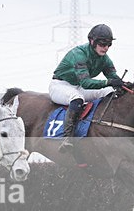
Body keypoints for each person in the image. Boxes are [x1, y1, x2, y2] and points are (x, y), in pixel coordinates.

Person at [49, 24, 125, 152]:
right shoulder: (79, 54)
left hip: (79, 86)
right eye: (102, 44)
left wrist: (122, 84)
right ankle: (67, 138)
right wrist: (109, 81)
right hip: (60, 85)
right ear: (92, 41)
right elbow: (86, 83)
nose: (106, 48)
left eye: (109, 45)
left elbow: (113, 77)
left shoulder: (105, 59)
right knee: (77, 98)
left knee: (110, 92)